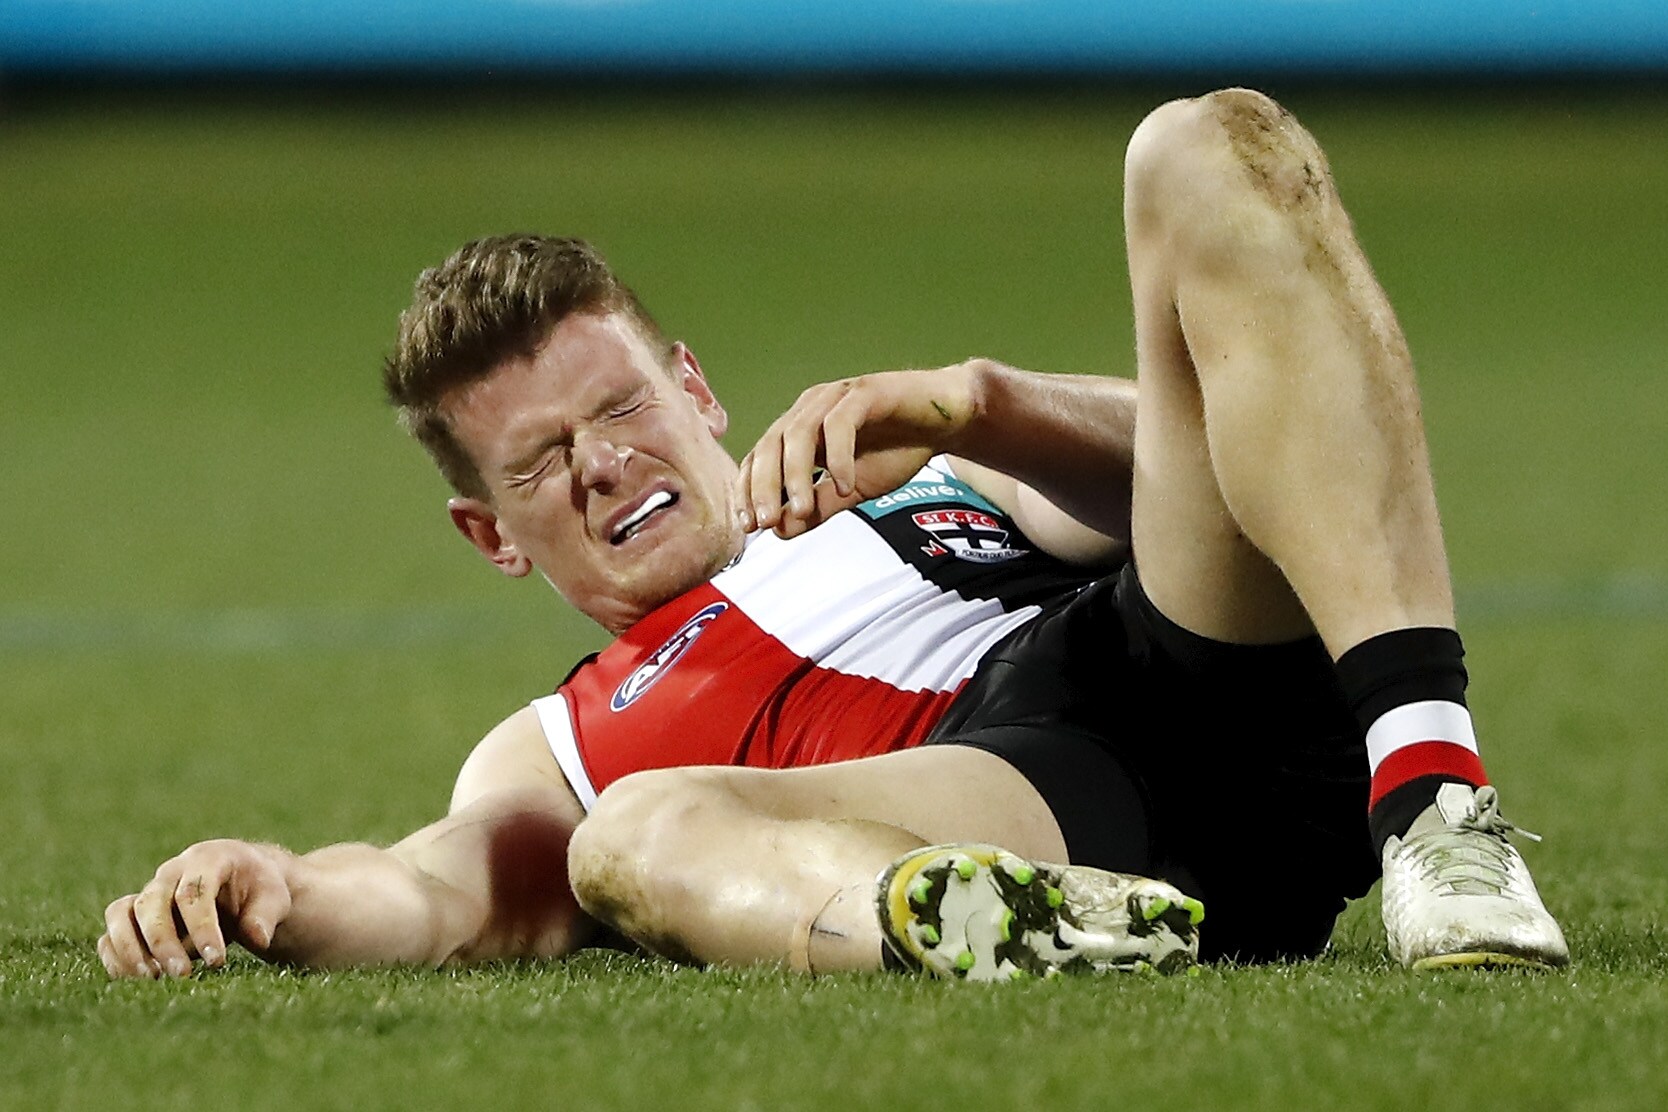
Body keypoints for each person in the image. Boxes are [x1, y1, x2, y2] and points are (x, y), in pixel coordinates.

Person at [98, 88, 1566, 984]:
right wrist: (275, 889)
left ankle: (1435, 804)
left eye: (620, 408)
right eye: (544, 462)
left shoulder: (901, 479)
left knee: (1202, 146)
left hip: (1192, 673)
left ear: (695, 390)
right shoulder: (564, 745)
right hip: (1027, 808)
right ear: (493, 536)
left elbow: (1236, 459)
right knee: (633, 833)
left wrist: (980, 408)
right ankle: (1002, 930)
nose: (604, 466)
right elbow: (435, 891)